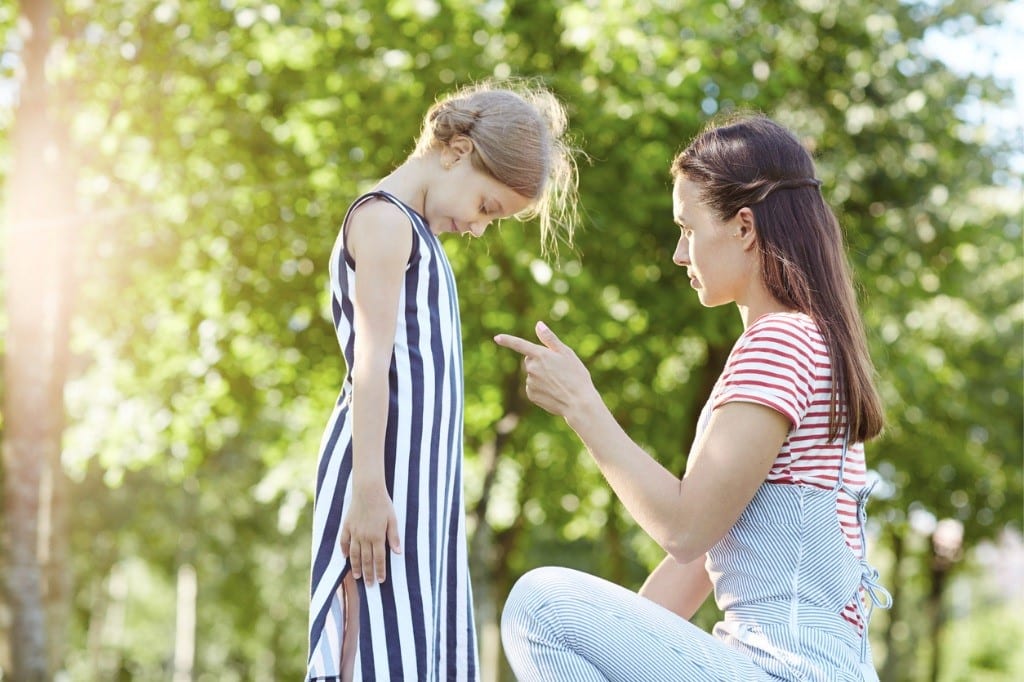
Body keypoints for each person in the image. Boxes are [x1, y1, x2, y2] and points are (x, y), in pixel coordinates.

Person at [494, 113, 892, 681]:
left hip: (787, 668)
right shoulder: (809, 341)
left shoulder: (781, 341)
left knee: (541, 604)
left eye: (688, 228)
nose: (680, 254)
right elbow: (692, 567)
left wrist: (582, 405)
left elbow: (684, 529)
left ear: (744, 228)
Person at [306, 80, 579, 681]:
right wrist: (371, 491)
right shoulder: (384, 222)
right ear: (456, 149)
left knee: (418, 641)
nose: (480, 228)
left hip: (419, 481)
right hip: (382, 475)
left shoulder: (417, 234)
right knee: (379, 644)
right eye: (487, 207)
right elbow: (370, 366)